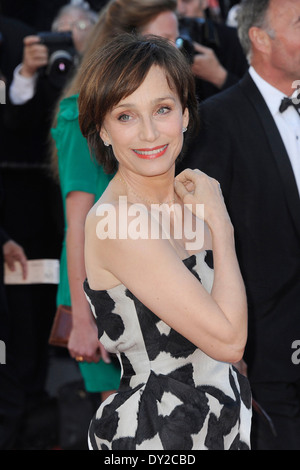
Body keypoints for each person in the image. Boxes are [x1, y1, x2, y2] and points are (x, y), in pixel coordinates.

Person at [77, 33, 252, 451]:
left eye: (162, 109)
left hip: (222, 423)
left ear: (186, 115)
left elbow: (226, 343)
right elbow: (229, 340)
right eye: (125, 116)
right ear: (102, 129)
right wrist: (222, 228)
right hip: (157, 434)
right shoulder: (115, 223)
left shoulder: (194, 199)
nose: (150, 133)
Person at [176, 0, 300, 450]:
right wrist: (220, 345)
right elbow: (197, 239)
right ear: (260, 39)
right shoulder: (216, 122)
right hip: (263, 352)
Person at [50, 0, 187, 401]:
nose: (173, 51)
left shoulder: (164, 116)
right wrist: (83, 319)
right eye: (162, 39)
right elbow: (76, 224)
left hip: (154, 288)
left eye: (177, 40)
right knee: (123, 425)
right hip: (100, 295)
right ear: (125, 41)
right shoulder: (81, 115)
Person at [176, 0, 248, 100]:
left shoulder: (235, 39)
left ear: (205, 2)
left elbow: (256, 97)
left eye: (187, 1)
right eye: (172, 3)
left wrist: (218, 76)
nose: (180, 10)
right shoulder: (166, 41)